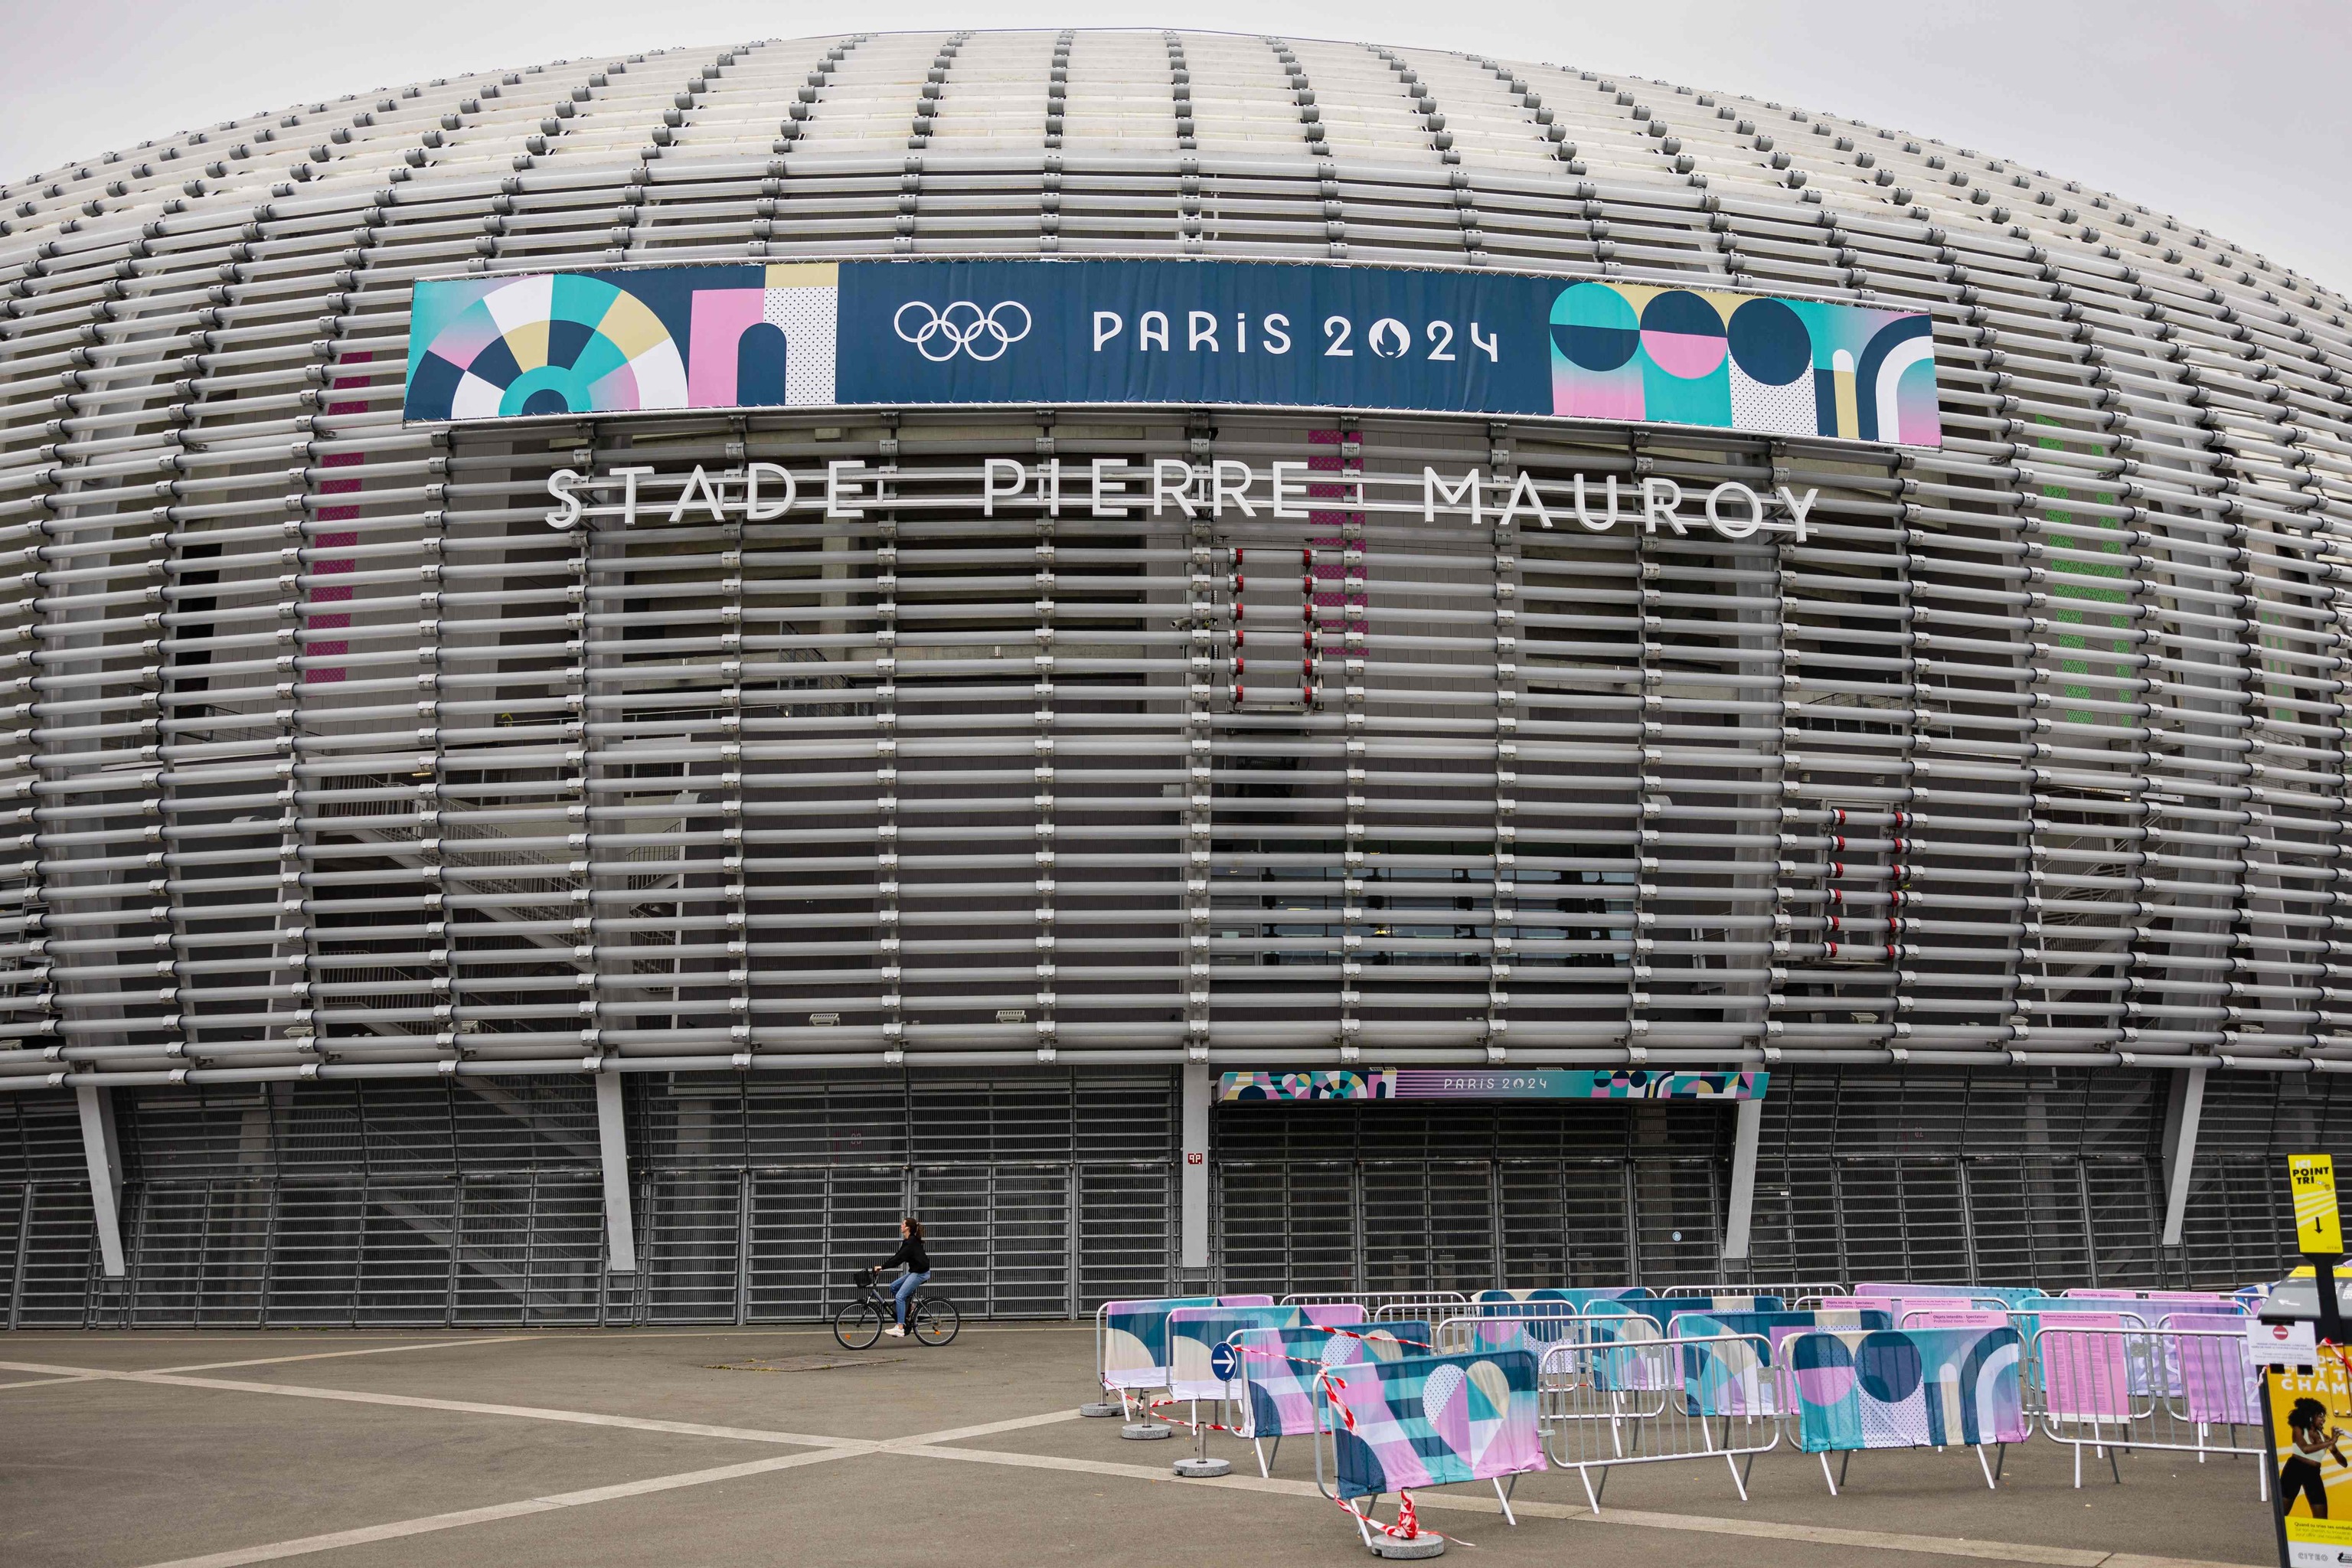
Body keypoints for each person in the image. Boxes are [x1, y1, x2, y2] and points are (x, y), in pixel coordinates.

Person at [2282, 1396, 2350, 1518]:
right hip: (2295, 1469)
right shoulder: (2298, 1429)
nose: (2323, 1419)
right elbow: (2305, 1449)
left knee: (2322, 1518)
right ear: (2310, 1416)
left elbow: (2344, 1463)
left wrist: (2333, 1446)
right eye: (2320, 1416)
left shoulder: (2324, 1437)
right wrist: (2330, 1443)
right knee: (2282, 1511)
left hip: (2313, 1473)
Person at [877, 1217, 930, 1339]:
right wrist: (883, 1267)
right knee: (893, 1287)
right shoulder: (908, 1241)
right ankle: (910, 1308)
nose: (901, 1225)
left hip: (921, 1273)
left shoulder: (911, 1242)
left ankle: (900, 1327)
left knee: (900, 1296)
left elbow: (898, 1259)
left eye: (903, 1224)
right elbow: (898, 1256)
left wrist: (882, 1267)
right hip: (915, 1271)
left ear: (907, 1228)